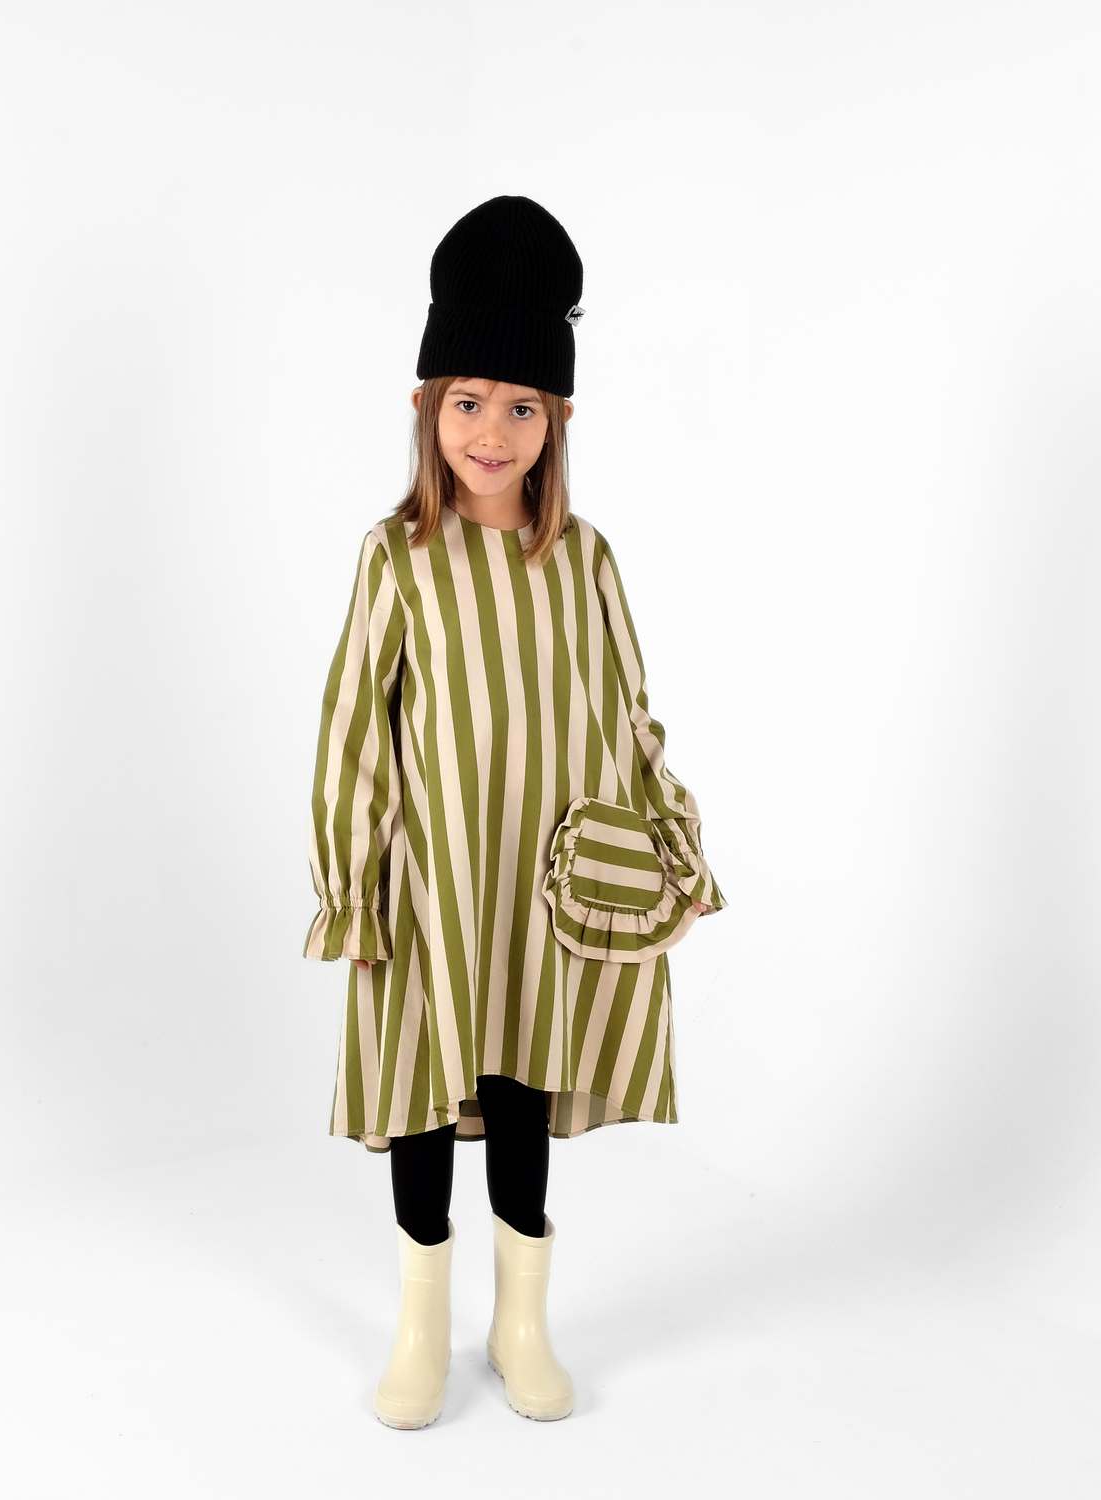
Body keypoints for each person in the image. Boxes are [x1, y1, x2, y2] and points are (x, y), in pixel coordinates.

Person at [305, 196, 724, 1428]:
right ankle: (421, 1328)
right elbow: (353, 733)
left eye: (524, 407)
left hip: (547, 892)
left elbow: (629, 713)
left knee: (525, 1086)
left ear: (560, 420)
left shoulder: (585, 560)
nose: (493, 432)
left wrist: (673, 850)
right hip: (432, 892)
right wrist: (354, 890)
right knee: (425, 1098)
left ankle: (521, 1322)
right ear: (427, 406)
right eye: (469, 401)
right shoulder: (396, 557)